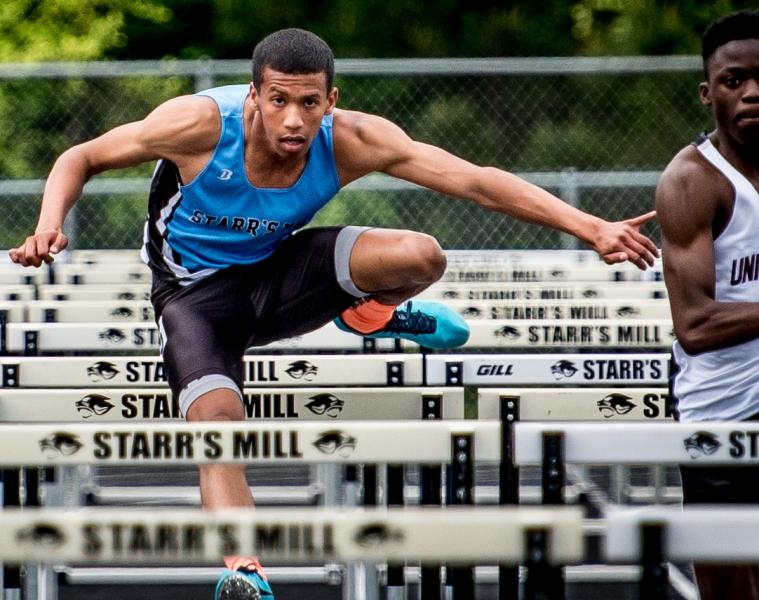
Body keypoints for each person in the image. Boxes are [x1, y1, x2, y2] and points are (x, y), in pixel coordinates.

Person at [10, 28, 658, 600]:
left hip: (282, 275)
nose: (294, 121)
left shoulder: (352, 140)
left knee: (422, 254)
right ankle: (244, 572)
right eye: (279, 101)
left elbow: (477, 182)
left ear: (331, 101)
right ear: (254, 96)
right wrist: (48, 225)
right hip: (193, 300)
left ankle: (370, 315)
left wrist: (587, 225)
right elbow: (82, 155)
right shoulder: (199, 125)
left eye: (309, 103)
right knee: (218, 423)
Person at [657, 10, 759, 600]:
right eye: (733, 80)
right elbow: (693, 325)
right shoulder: (693, 181)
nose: (752, 93)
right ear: (707, 92)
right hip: (719, 412)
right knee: (728, 585)